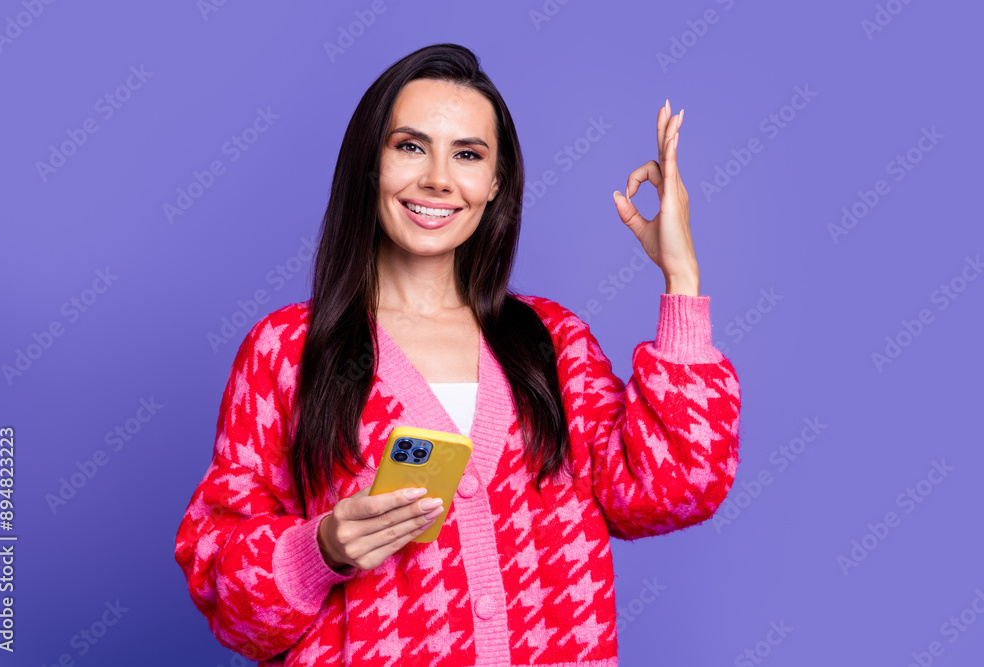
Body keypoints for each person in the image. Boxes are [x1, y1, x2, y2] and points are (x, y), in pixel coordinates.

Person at [174, 42, 741, 666]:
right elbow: (223, 588)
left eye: (467, 154)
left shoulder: (552, 343)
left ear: (496, 183)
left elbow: (673, 489)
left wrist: (681, 279)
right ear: (371, 163)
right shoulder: (288, 352)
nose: (438, 178)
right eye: (410, 146)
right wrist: (320, 550)